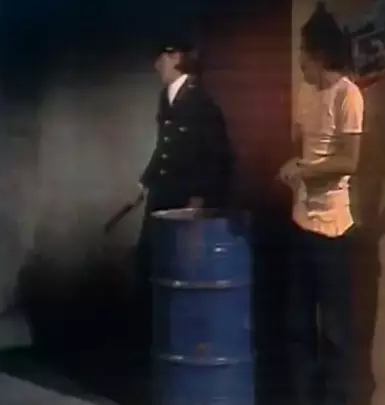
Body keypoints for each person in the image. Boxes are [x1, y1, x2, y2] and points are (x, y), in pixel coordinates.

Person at [276, 4, 364, 405]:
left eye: (304, 53)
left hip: (333, 232)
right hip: (301, 224)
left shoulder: (348, 95)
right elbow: (302, 148)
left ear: (322, 55)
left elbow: (349, 161)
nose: (300, 61)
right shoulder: (305, 92)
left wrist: (305, 170)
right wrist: (292, 165)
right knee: (296, 328)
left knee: (335, 334)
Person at [130, 38, 234, 370]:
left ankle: (177, 350)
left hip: (184, 204)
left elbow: (218, 158)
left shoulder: (201, 104)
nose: (156, 65)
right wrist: (146, 182)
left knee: (179, 276)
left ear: (175, 57)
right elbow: (166, 147)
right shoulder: (168, 98)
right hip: (162, 199)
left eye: (160, 57)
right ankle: (152, 353)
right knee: (149, 268)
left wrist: (199, 202)